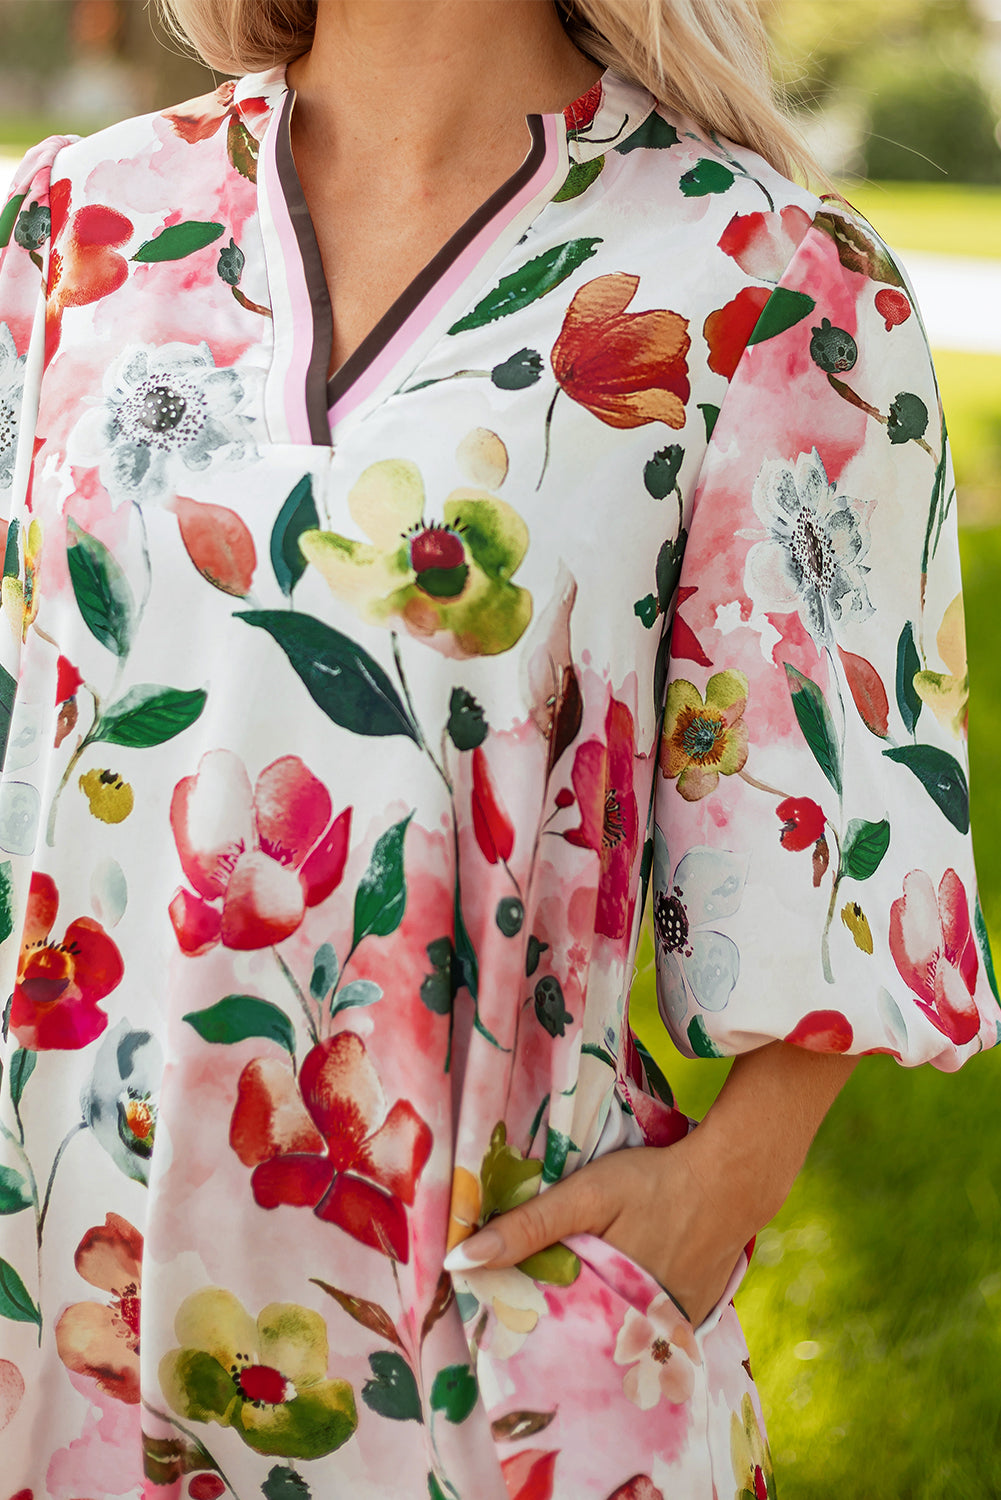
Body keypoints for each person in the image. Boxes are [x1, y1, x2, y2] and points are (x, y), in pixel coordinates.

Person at [0, 1, 996, 1496]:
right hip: (60, 1301)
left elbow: (842, 813)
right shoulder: (70, 224)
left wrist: (711, 1201)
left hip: (486, 1346)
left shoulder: (765, 280)